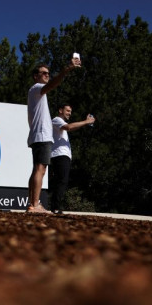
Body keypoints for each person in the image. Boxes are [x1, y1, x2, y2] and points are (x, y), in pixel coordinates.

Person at [26, 59, 81, 213]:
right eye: (43, 73)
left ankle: (32, 203)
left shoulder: (35, 92)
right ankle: (35, 205)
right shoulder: (37, 88)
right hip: (42, 136)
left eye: (48, 74)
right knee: (40, 169)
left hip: (38, 136)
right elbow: (55, 83)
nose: (47, 76)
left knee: (37, 169)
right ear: (35, 76)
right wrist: (67, 68)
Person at [49, 104, 95, 214]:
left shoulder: (61, 124)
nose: (69, 113)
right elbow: (69, 127)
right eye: (67, 110)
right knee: (62, 181)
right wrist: (86, 122)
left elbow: (72, 127)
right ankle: (55, 206)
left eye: (70, 111)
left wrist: (85, 123)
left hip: (61, 155)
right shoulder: (56, 120)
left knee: (61, 180)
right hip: (60, 155)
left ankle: (55, 206)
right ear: (60, 110)